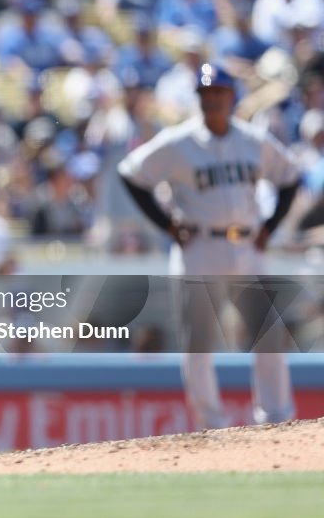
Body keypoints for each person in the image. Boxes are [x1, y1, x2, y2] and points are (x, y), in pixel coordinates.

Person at [117, 64, 301, 429]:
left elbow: (290, 178)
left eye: (218, 93)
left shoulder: (253, 140)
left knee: (269, 335)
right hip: (200, 246)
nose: (212, 100)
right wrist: (166, 224)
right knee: (199, 343)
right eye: (205, 94)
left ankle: (277, 419)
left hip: (248, 246)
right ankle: (210, 425)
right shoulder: (179, 141)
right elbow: (131, 173)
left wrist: (271, 226)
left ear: (232, 97)